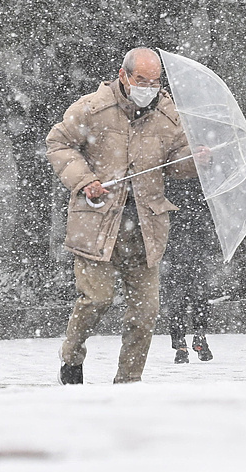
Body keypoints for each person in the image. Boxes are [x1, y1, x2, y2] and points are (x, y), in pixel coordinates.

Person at [46, 47, 202, 384]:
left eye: (155, 82)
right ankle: (71, 356)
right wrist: (85, 181)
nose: (149, 88)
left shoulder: (168, 115)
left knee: (145, 311)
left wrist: (197, 159)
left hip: (146, 227)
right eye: (141, 80)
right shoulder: (93, 108)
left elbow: (175, 163)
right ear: (123, 75)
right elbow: (59, 143)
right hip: (97, 223)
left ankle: (129, 381)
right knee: (96, 299)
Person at [163, 177, 216, 363]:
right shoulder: (202, 181)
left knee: (180, 295)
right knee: (195, 294)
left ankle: (182, 343)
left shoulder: (172, 179)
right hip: (189, 242)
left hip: (180, 242)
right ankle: (196, 338)